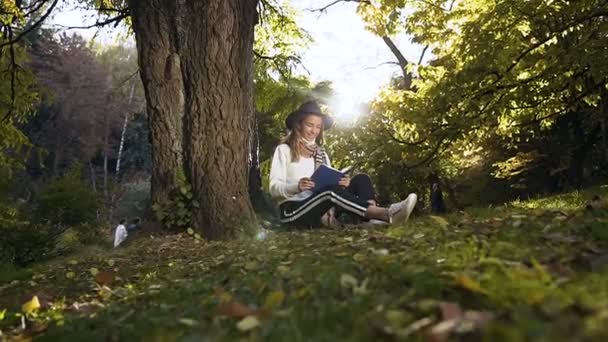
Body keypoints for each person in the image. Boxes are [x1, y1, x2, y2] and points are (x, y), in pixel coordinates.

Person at [269, 100, 417, 228]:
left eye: (318, 127)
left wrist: (342, 184)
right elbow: (274, 189)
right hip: (292, 211)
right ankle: (387, 214)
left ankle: (372, 219)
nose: (314, 130)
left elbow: (328, 184)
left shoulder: (322, 155)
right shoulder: (284, 150)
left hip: (323, 205)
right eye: (309, 125)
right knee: (329, 191)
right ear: (299, 124)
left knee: (361, 179)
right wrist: (297, 186)